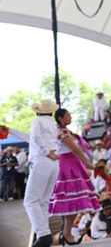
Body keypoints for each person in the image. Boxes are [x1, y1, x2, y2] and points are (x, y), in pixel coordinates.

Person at [48, 108, 99, 245]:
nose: (70, 117)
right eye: (68, 115)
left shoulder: (67, 132)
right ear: (60, 118)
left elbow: (78, 148)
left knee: (74, 202)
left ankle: (66, 233)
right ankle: (66, 233)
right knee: (72, 201)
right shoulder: (62, 131)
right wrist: (87, 163)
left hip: (73, 165)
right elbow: (75, 150)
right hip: (68, 166)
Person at [24, 99, 61, 247]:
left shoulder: (37, 121)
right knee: (43, 201)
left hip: (42, 160)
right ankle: (44, 234)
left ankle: (43, 233)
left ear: (38, 111)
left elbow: (35, 136)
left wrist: (46, 152)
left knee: (31, 201)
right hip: (53, 164)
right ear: (51, 112)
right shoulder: (52, 125)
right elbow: (31, 138)